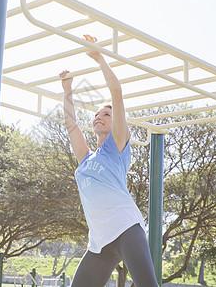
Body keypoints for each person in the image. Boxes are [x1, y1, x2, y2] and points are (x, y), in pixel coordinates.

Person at [59, 35, 158, 287]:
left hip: (126, 229)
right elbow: (71, 125)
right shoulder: (86, 159)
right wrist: (68, 91)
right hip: (100, 241)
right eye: (96, 114)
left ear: (116, 123)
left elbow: (116, 92)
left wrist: (98, 57)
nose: (99, 116)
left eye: (106, 114)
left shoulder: (118, 146)